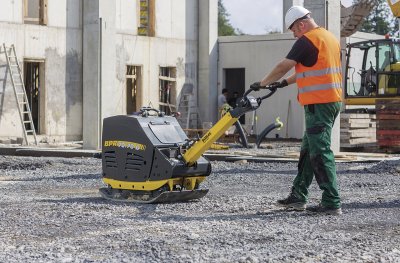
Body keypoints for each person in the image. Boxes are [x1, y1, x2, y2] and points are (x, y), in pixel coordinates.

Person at [251, 6, 342, 215]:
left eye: (294, 30)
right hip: (328, 102)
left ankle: (331, 201)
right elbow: (311, 71)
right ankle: (298, 196)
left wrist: (263, 83)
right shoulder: (328, 38)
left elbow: (284, 65)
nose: (294, 35)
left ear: (301, 24)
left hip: (319, 104)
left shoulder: (307, 39)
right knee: (308, 151)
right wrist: (282, 84)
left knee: (320, 152)